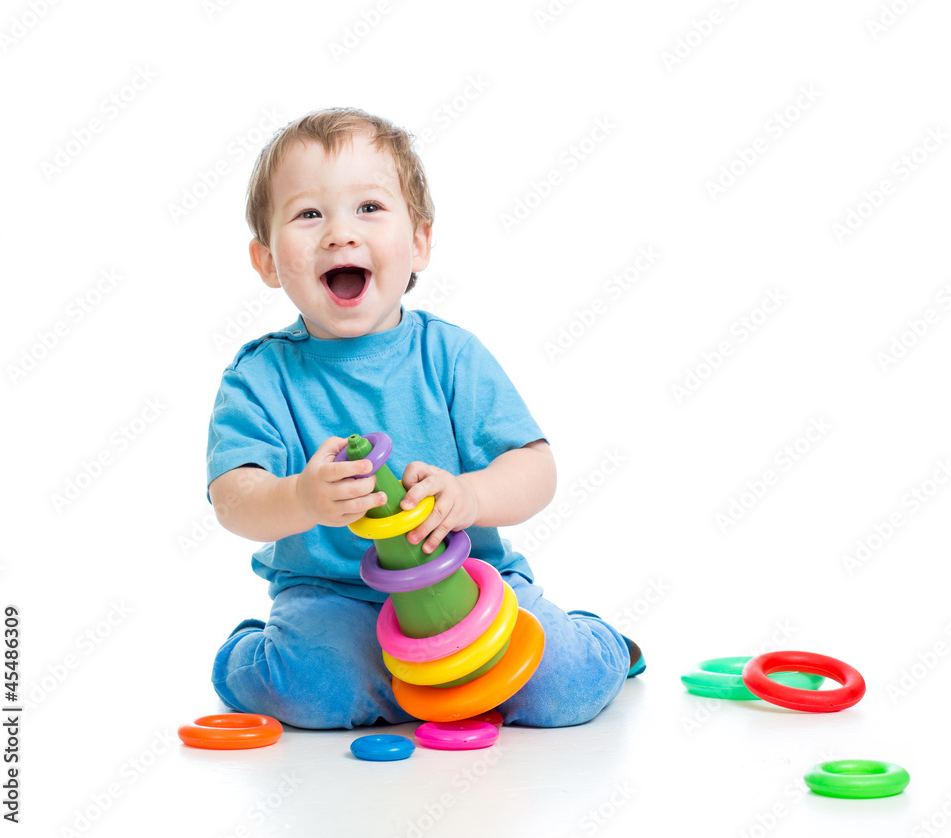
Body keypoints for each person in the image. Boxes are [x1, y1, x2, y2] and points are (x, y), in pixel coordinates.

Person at [206, 107, 644, 730]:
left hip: (470, 582)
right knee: (314, 692)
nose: (338, 234)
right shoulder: (259, 377)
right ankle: (256, 655)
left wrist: (468, 494)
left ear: (419, 243)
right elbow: (233, 499)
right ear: (268, 260)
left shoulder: (451, 356)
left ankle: (596, 642)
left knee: (561, 692)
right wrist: (302, 497)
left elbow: (537, 469)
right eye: (308, 214)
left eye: (369, 208)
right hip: (335, 598)